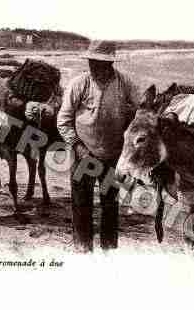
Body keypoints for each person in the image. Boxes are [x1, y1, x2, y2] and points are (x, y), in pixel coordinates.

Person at [57, 40, 140, 252]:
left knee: (110, 204)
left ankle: (108, 251)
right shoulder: (79, 83)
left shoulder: (126, 83)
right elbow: (63, 120)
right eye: (92, 62)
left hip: (113, 155)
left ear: (110, 63)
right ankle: (83, 249)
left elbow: (140, 114)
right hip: (82, 153)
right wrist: (78, 147)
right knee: (81, 203)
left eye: (100, 63)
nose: (95, 66)